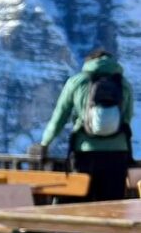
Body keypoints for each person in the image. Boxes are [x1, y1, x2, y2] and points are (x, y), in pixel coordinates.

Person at [39, 48, 134, 202]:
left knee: (81, 203)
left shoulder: (77, 81)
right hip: (117, 154)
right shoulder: (123, 84)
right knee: (112, 205)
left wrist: (45, 143)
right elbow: (127, 119)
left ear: (88, 62)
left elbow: (60, 116)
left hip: (85, 152)